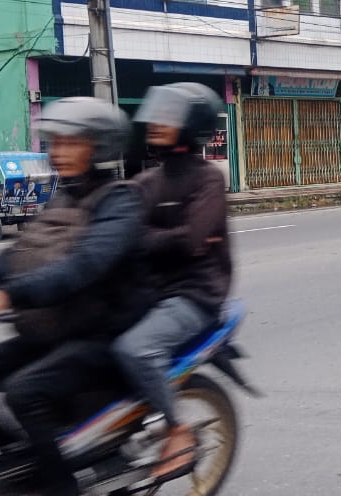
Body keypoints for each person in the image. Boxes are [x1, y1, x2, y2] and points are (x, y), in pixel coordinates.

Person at [0, 97, 148, 496]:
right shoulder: (61, 198)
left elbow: (81, 268)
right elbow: (9, 261)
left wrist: (1, 299)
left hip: (100, 337)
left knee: (24, 391)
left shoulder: (120, 203)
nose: (58, 151)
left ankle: (61, 485)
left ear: (100, 146)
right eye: (55, 141)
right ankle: (19, 462)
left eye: (71, 142)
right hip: (52, 330)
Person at [112, 82, 232, 482]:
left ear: (190, 124)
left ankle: (176, 429)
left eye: (169, 115)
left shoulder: (208, 179)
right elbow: (134, 236)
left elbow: (193, 240)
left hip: (196, 295)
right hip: (152, 290)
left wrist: (150, 240)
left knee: (136, 349)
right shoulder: (147, 181)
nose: (156, 123)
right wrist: (166, 240)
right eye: (156, 114)